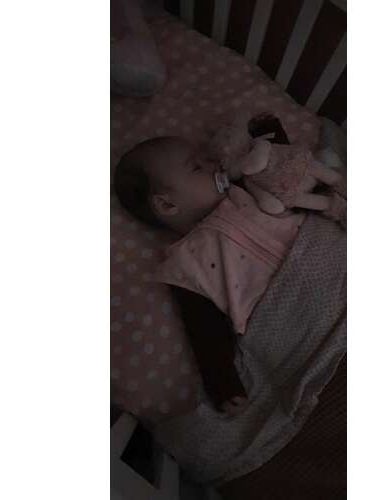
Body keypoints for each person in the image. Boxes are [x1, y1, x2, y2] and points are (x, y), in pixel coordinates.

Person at [114, 114, 344, 415]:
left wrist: (268, 134)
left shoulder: (244, 188)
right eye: (197, 167)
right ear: (167, 204)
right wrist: (222, 382)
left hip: (327, 257)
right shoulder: (185, 265)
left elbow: (284, 175)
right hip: (293, 314)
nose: (212, 164)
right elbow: (204, 330)